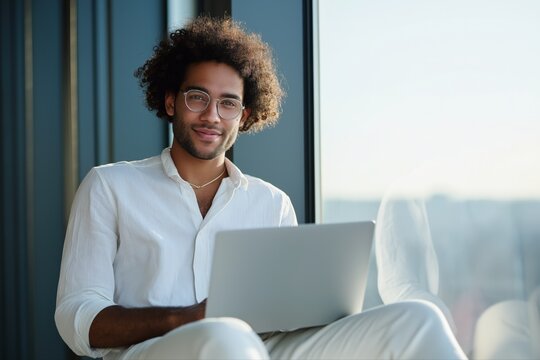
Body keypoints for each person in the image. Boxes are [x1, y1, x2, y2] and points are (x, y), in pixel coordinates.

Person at [55, 16, 467, 360]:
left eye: (228, 103)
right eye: (197, 97)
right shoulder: (110, 186)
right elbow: (77, 315)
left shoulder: (271, 202)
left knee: (417, 318)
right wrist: (187, 318)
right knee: (226, 338)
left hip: (263, 349)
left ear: (244, 114)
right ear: (170, 101)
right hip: (154, 351)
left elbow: (290, 311)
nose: (212, 115)